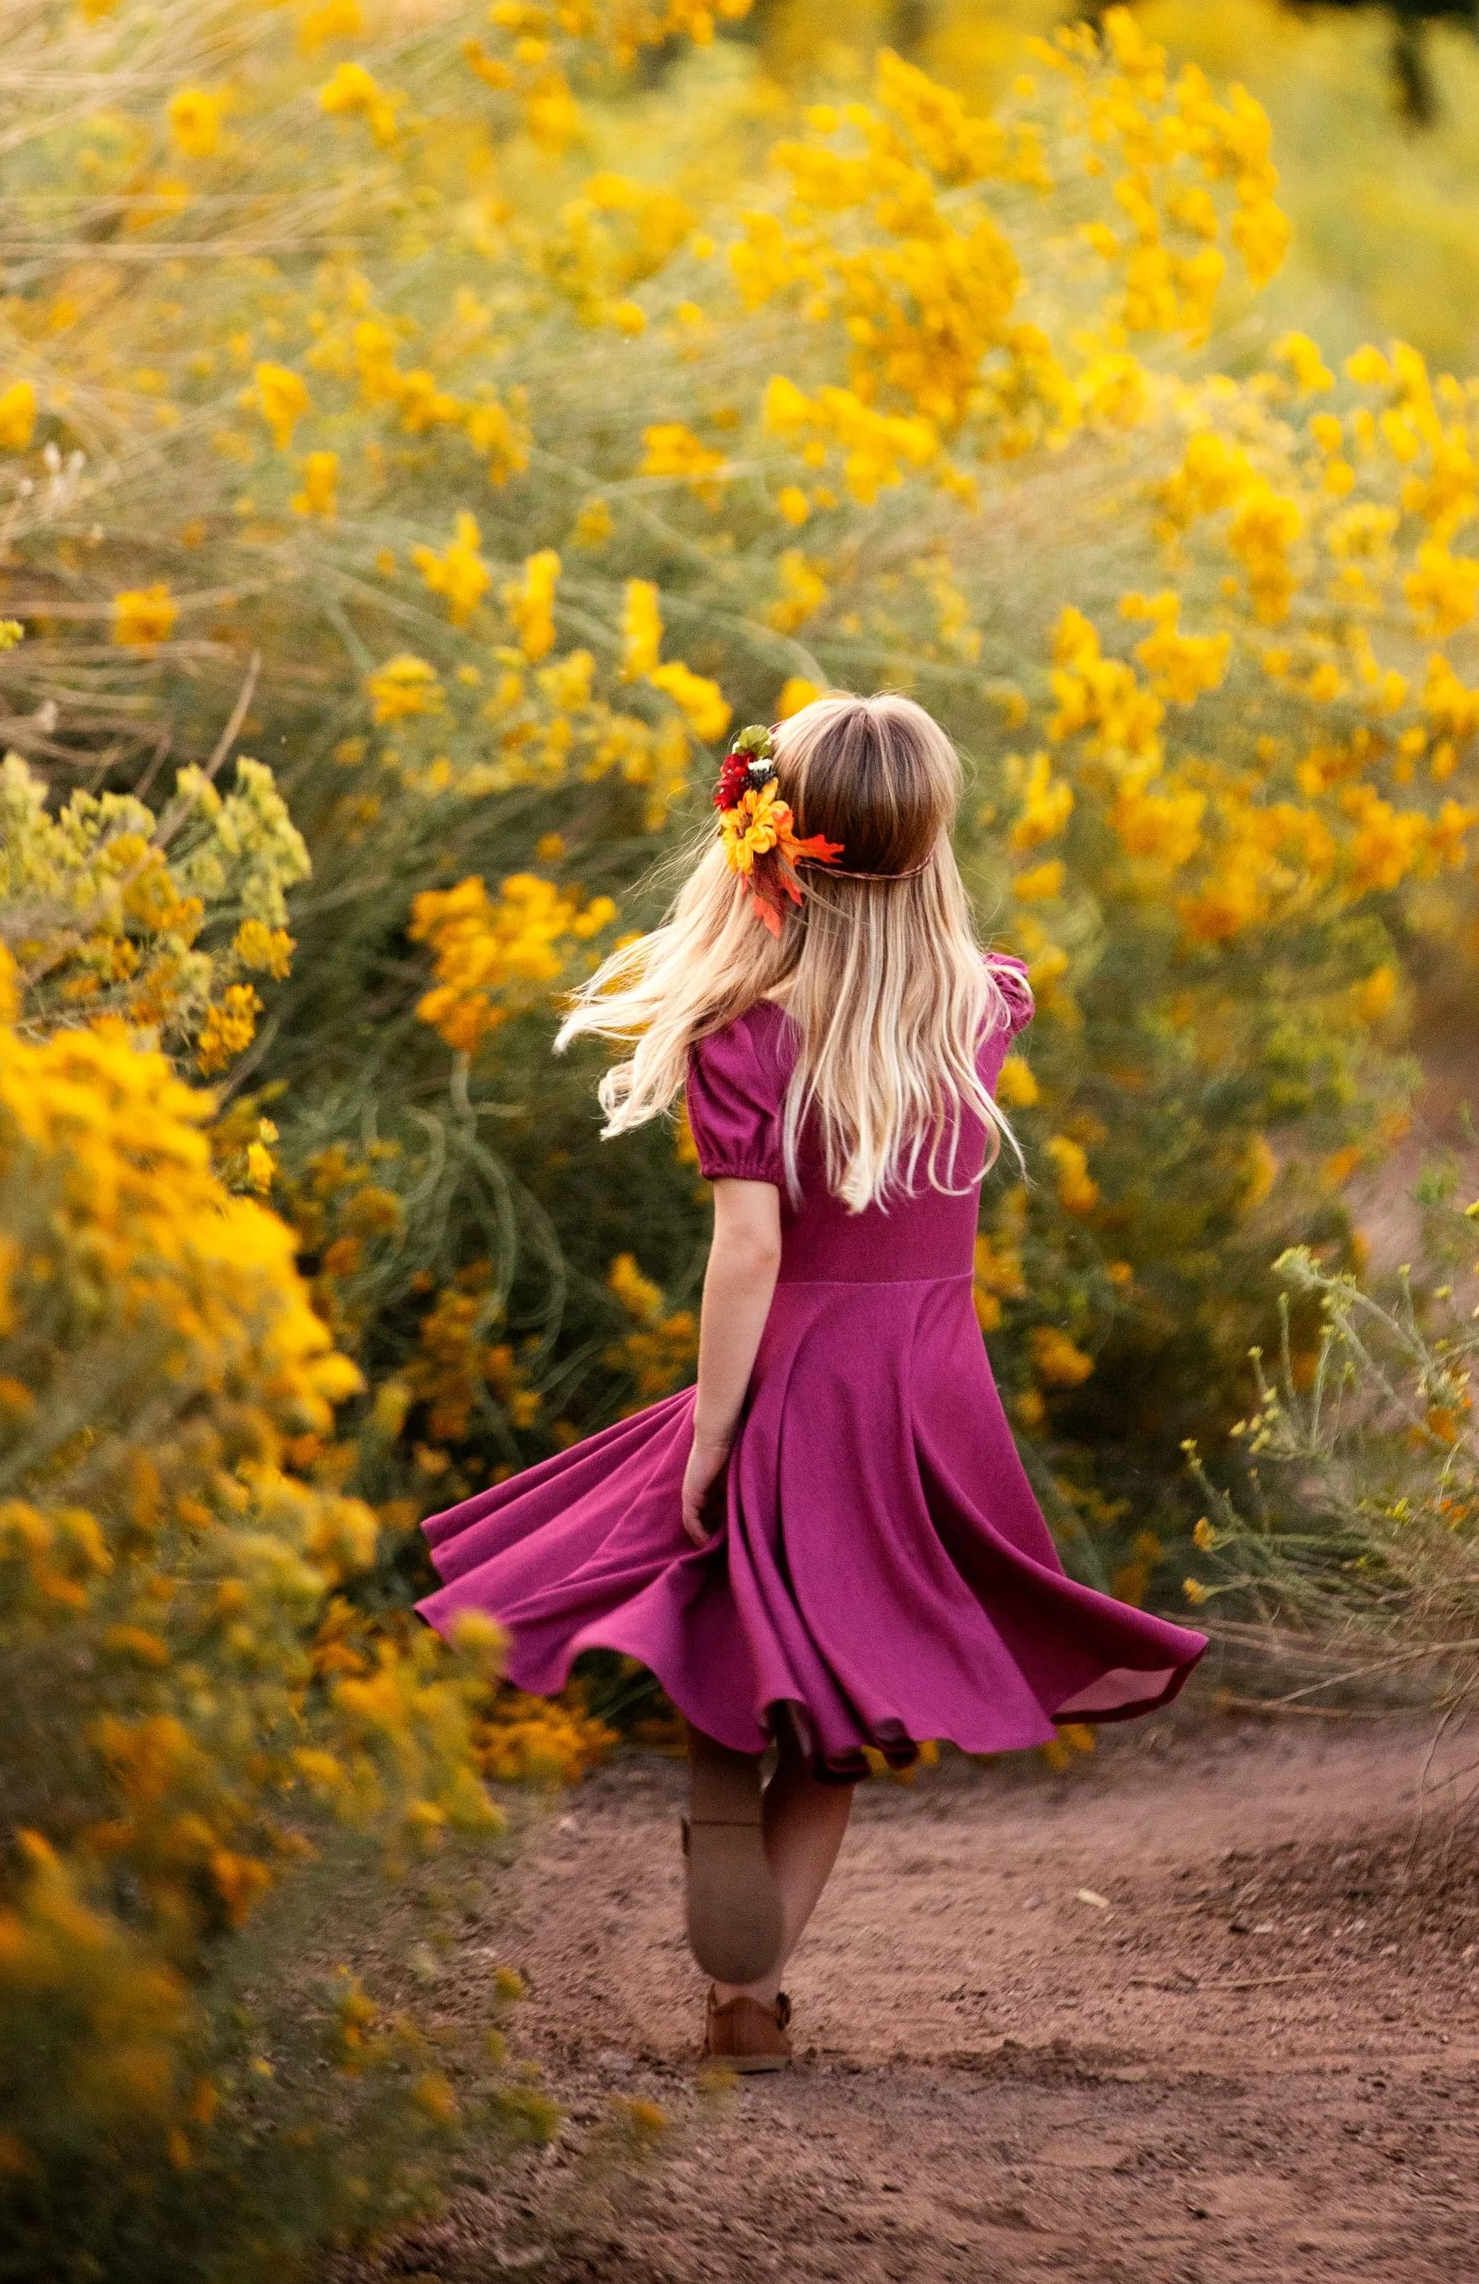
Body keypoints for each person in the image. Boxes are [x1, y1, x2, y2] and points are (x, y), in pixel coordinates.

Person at [416, 690, 1206, 2069]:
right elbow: (932, 989)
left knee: (716, 1583)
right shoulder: (985, 1008)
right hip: (916, 1393)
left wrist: (712, 1429)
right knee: (842, 1703)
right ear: (933, 851)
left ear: (774, 853)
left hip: (788, 1367)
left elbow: (748, 1250)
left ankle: (723, 1812)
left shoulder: (744, 1035)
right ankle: (750, 1992)